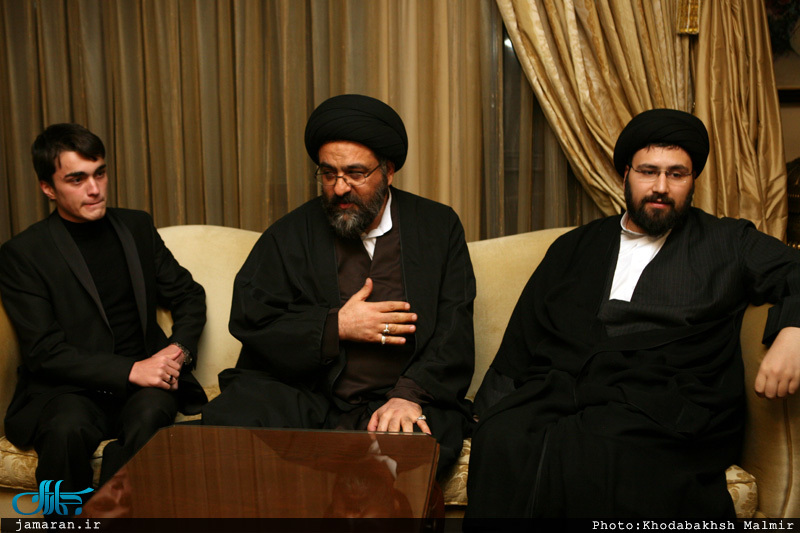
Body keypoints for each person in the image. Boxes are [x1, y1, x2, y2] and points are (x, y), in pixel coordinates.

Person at [465, 109, 800, 518]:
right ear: (625, 174)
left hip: (668, 402)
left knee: (601, 445)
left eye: (676, 174)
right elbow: (525, 333)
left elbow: (795, 271)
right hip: (567, 390)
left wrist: (794, 329)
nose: (661, 187)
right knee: (503, 436)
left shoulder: (729, 241)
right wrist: (491, 408)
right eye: (648, 172)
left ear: (693, 180)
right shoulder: (575, 246)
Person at [201, 94, 475, 476]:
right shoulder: (289, 234)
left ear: (388, 171)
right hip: (310, 397)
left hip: (397, 397)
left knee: (417, 445)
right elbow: (253, 320)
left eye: (355, 173)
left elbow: (453, 329)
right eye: (329, 174)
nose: (340, 188)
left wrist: (409, 395)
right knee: (232, 419)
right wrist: (336, 326)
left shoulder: (437, 227)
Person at [0, 124, 207, 503]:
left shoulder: (136, 226)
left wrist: (177, 351)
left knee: (151, 416)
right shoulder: (24, 253)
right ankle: (65, 525)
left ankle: (117, 515)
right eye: (76, 179)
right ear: (48, 188)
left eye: (100, 173)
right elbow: (44, 351)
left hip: (144, 386)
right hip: (68, 389)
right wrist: (130, 370)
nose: (95, 189)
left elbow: (189, 295)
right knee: (66, 430)